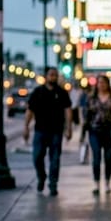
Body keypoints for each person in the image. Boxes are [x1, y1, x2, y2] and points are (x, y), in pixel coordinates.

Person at [22, 67, 74, 196]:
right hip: (40, 130)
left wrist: (69, 128)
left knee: (55, 159)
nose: (53, 77)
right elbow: (30, 110)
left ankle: (53, 184)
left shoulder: (62, 93)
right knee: (37, 157)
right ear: (46, 76)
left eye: (55, 75)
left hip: (56, 131)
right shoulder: (38, 92)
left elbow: (68, 110)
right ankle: (41, 177)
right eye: (51, 75)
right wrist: (26, 127)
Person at [84, 74, 111, 195]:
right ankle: (96, 184)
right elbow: (86, 115)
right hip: (95, 131)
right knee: (96, 158)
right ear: (96, 85)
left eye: (104, 82)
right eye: (99, 83)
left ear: (108, 84)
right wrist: (84, 129)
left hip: (109, 132)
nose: (101, 85)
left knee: (108, 158)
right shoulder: (91, 98)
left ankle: (107, 183)